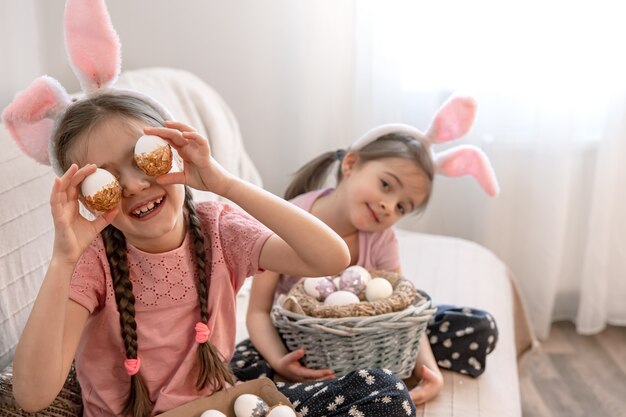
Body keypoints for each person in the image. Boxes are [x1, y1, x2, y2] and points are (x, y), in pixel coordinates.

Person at [2, 1, 418, 417]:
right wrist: (62, 258)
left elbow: (330, 257)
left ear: (175, 150)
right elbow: (32, 396)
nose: (132, 184)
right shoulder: (92, 262)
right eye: (105, 181)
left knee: (383, 391)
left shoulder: (219, 228)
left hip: (226, 404)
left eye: (145, 157)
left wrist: (225, 184)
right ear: (87, 199)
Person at [231, 96, 501, 407]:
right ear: (351, 164)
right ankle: (331, 388)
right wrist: (280, 361)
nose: (389, 206)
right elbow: (259, 312)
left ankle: (367, 376)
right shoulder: (289, 220)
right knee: (243, 366)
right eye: (386, 185)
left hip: (375, 335)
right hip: (306, 340)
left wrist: (429, 370)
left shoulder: (382, 239)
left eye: (402, 206)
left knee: (479, 326)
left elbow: (404, 312)